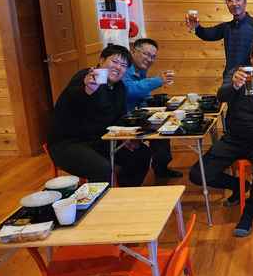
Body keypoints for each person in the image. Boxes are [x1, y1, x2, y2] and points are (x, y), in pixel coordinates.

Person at [189, 37, 253, 237]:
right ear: (251, 58)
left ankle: (248, 214)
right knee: (197, 174)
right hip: (234, 138)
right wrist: (234, 86)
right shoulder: (239, 74)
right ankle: (239, 186)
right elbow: (221, 96)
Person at [47, 44, 151, 187]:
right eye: (114, 62)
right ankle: (99, 201)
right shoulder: (86, 77)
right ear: (101, 60)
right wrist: (88, 90)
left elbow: (120, 118)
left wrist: (125, 137)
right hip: (69, 144)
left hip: (100, 140)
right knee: (102, 169)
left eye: (123, 65)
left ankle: (126, 193)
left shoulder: (119, 87)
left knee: (141, 153)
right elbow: (76, 97)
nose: (118, 67)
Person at [185, 0, 253, 82]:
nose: (234, 4)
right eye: (230, 0)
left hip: (251, 80)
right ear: (227, 4)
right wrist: (196, 27)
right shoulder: (226, 27)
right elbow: (208, 34)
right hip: (230, 79)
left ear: (245, 1)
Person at [123, 38, 181, 179]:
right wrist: (158, 80)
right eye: (146, 54)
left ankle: (161, 169)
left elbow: (143, 95)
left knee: (162, 127)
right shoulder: (124, 68)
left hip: (136, 115)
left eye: (153, 57)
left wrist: (156, 109)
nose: (149, 59)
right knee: (158, 129)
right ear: (133, 51)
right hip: (123, 119)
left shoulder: (140, 70)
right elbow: (130, 90)